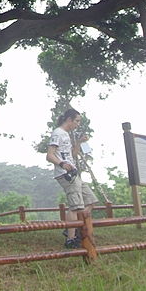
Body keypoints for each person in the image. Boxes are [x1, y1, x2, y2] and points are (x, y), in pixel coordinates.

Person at [46, 107, 96, 249]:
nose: (78, 124)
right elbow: (49, 154)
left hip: (74, 173)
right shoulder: (58, 133)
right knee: (75, 206)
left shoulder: (67, 135)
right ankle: (71, 238)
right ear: (69, 119)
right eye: (77, 121)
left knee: (91, 200)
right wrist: (61, 164)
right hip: (66, 175)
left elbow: (72, 155)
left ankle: (71, 228)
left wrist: (79, 143)